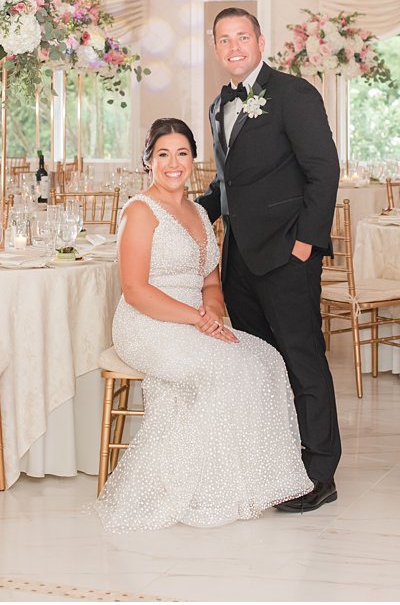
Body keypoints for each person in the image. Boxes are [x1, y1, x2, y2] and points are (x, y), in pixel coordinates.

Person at [95, 118, 312, 532]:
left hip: (195, 320)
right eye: (163, 154)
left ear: (194, 159)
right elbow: (135, 289)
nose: (173, 163)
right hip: (148, 322)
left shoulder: (197, 210)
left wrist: (212, 311)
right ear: (147, 161)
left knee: (265, 359)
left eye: (182, 153)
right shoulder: (140, 211)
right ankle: (200, 487)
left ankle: (249, 480)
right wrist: (198, 318)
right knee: (224, 368)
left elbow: (210, 280)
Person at [195, 7, 341, 513]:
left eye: (242, 37)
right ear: (216, 49)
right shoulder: (218, 106)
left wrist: (305, 245)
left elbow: (324, 171)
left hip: (286, 255)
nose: (234, 47)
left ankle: (319, 473)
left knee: (303, 361)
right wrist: (184, 213)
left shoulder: (293, 94)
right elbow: (226, 185)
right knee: (259, 365)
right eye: (224, 40)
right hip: (240, 260)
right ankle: (274, 461)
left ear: (260, 41)